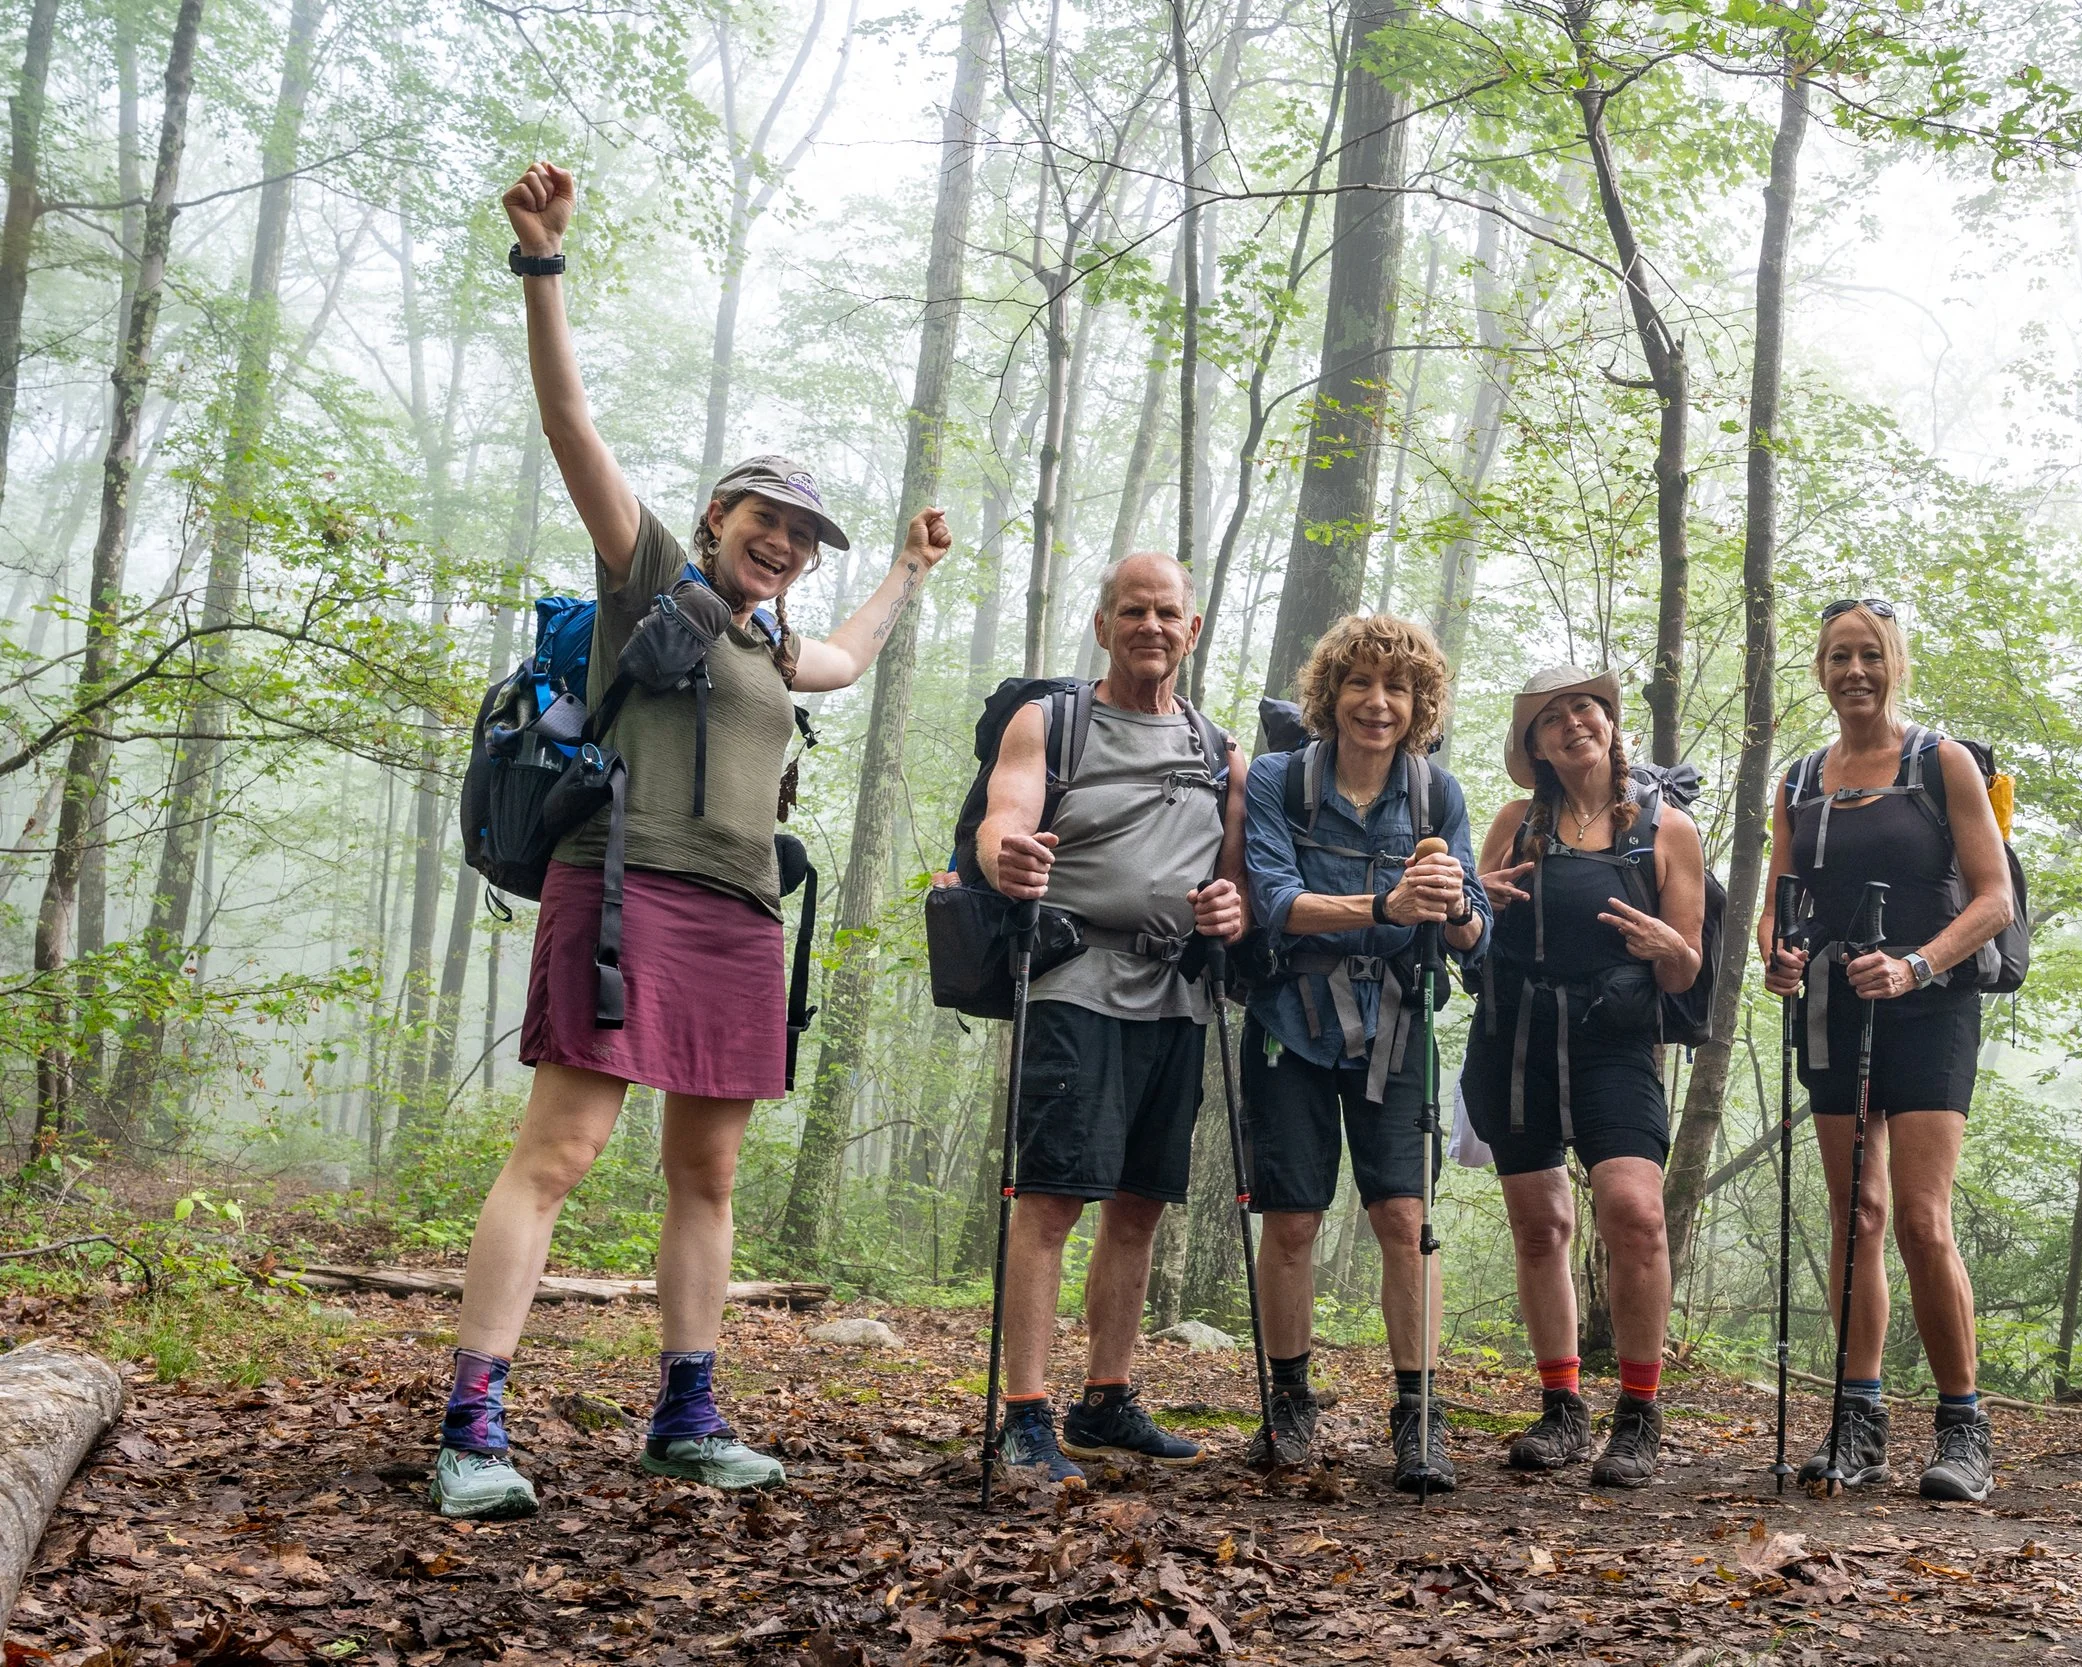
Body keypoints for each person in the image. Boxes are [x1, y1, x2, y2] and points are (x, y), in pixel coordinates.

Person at [429, 162, 949, 1522]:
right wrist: (543, 267)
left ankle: (687, 1408)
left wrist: (908, 567)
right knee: (560, 1149)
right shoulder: (649, 574)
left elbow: (848, 654)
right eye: (763, 519)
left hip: (738, 914)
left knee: (707, 1168)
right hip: (617, 887)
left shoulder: (779, 642)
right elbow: (569, 422)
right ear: (718, 517)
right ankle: (473, 1417)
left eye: (800, 535)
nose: (781, 542)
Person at [977, 552, 1249, 1483]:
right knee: (1052, 1197)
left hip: (1176, 995)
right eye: (1132, 610)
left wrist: (1229, 910)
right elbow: (1003, 818)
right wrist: (1007, 855)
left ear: (1193, 629)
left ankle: (1107, 1395)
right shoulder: (1049, 720)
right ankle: (1022, 1414)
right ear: (1103, 625)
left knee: (1139, 1203)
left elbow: (1240, 885)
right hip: (1073, 981)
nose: (1150, 626)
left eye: (1167, 612)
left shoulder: (1220, 751)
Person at [1760, 598, 2014, 1502]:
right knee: (1852, 1217)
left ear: (1893, 662)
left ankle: (1963, 1427)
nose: (1854, 671)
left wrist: (1915, 965)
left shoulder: (1938, 761)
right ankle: (1858, 1422)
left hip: (1929, 1004)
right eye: (1838, 657)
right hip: (1835, 1007)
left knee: (1918, 1217)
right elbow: (1779, 900)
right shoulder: (1798, 780)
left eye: (1870, 654)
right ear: (1819, 670)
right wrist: (1778, 953)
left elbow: (1993, 900)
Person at [1238, 616, 1488, 1493]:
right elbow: (1272, 899)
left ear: (1420, 705)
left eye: (1399, 688)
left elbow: (1474, 930)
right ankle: (1290, 1398)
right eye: (1360, 683)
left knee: (1404, 1222)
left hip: (1399, 1029)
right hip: (1290, 1027)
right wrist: (1386, 905)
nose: (1377, 702)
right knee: (1294, 1220)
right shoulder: (1278, 781)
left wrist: (1455, 907)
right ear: (1330, 693)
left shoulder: (1437, 795)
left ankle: (1419, 1415)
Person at [1461, 666, 1706, 1489]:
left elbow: (1688, 974)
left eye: (1586, 708)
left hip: (1615, 1042)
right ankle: (1562, 1406)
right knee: (1540, 1227)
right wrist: (1475, 908)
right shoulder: (1514, 823)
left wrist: (1669, 951)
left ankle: (1639, 1414)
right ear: (1533, 746)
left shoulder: (1667, 829)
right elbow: (1467, 936)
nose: (1575, 723)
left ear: (1610, 722)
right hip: (1516, 1040)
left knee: (1635, 1215)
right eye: (1553, 717)